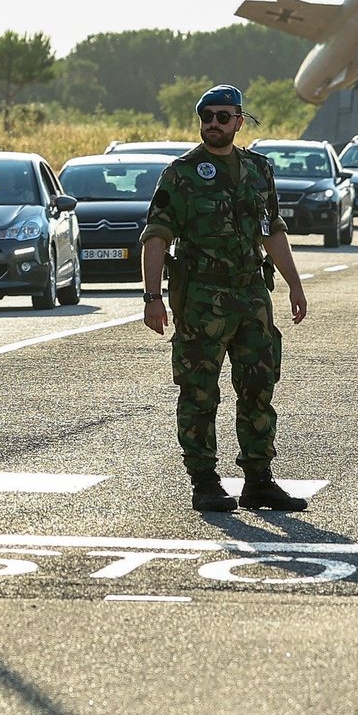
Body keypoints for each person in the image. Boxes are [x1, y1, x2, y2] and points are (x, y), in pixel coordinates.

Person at [138, 84, 311, 512]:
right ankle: (204, 481)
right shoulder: (181, 173)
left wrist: (295, 283)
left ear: (238, 120)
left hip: (251, 293)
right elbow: (156, 236)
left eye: (221, 116)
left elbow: (272, 231)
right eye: (205, 116)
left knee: (259, 386)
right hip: (201, 297)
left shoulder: (257, 169)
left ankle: (258, 480)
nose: (211, 124)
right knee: (199, 390)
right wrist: (152, 296)